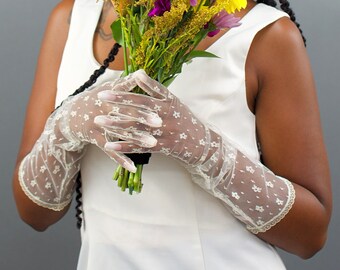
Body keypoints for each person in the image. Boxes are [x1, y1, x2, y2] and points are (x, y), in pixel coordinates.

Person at [13, 0, 332, 269]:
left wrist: (206, 151)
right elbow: (34, 214)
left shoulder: (265, 34)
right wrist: (66, 127)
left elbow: (309, 236)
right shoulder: (71, 18)